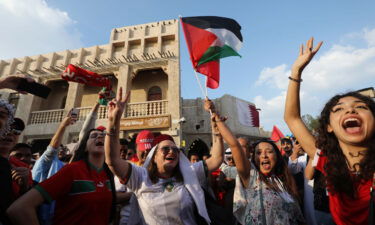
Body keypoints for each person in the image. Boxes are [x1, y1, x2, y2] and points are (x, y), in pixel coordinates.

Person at [284, 37, 375, 225]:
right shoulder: (326, 160)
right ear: (329, 127)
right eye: (339, 109)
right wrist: (296, 71)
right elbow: (292, 118)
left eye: (361, 107)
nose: (350, 110)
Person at [105, 88, 225, 224]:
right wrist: (113, 122)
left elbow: (216, 158)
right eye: (165, 149)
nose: (172, 151)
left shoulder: (189, 173)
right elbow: (113, 160)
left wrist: (217, 131)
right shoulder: (140, 177)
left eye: (175, 150)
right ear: (154, 156)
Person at [7, 128, 117, 225]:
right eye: (93, 136)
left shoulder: (108, 174)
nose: (99, 137)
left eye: (103, 136)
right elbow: (19, 208)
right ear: (85, 147)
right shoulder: (72, 170)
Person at [214, 115, 304, 224]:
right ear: (254, 158)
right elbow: (235, 146)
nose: (264, 156)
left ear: (277, 156)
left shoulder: (284, 181)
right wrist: (218, 121)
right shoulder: (252, 177)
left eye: (269, 151)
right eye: (259, 152)